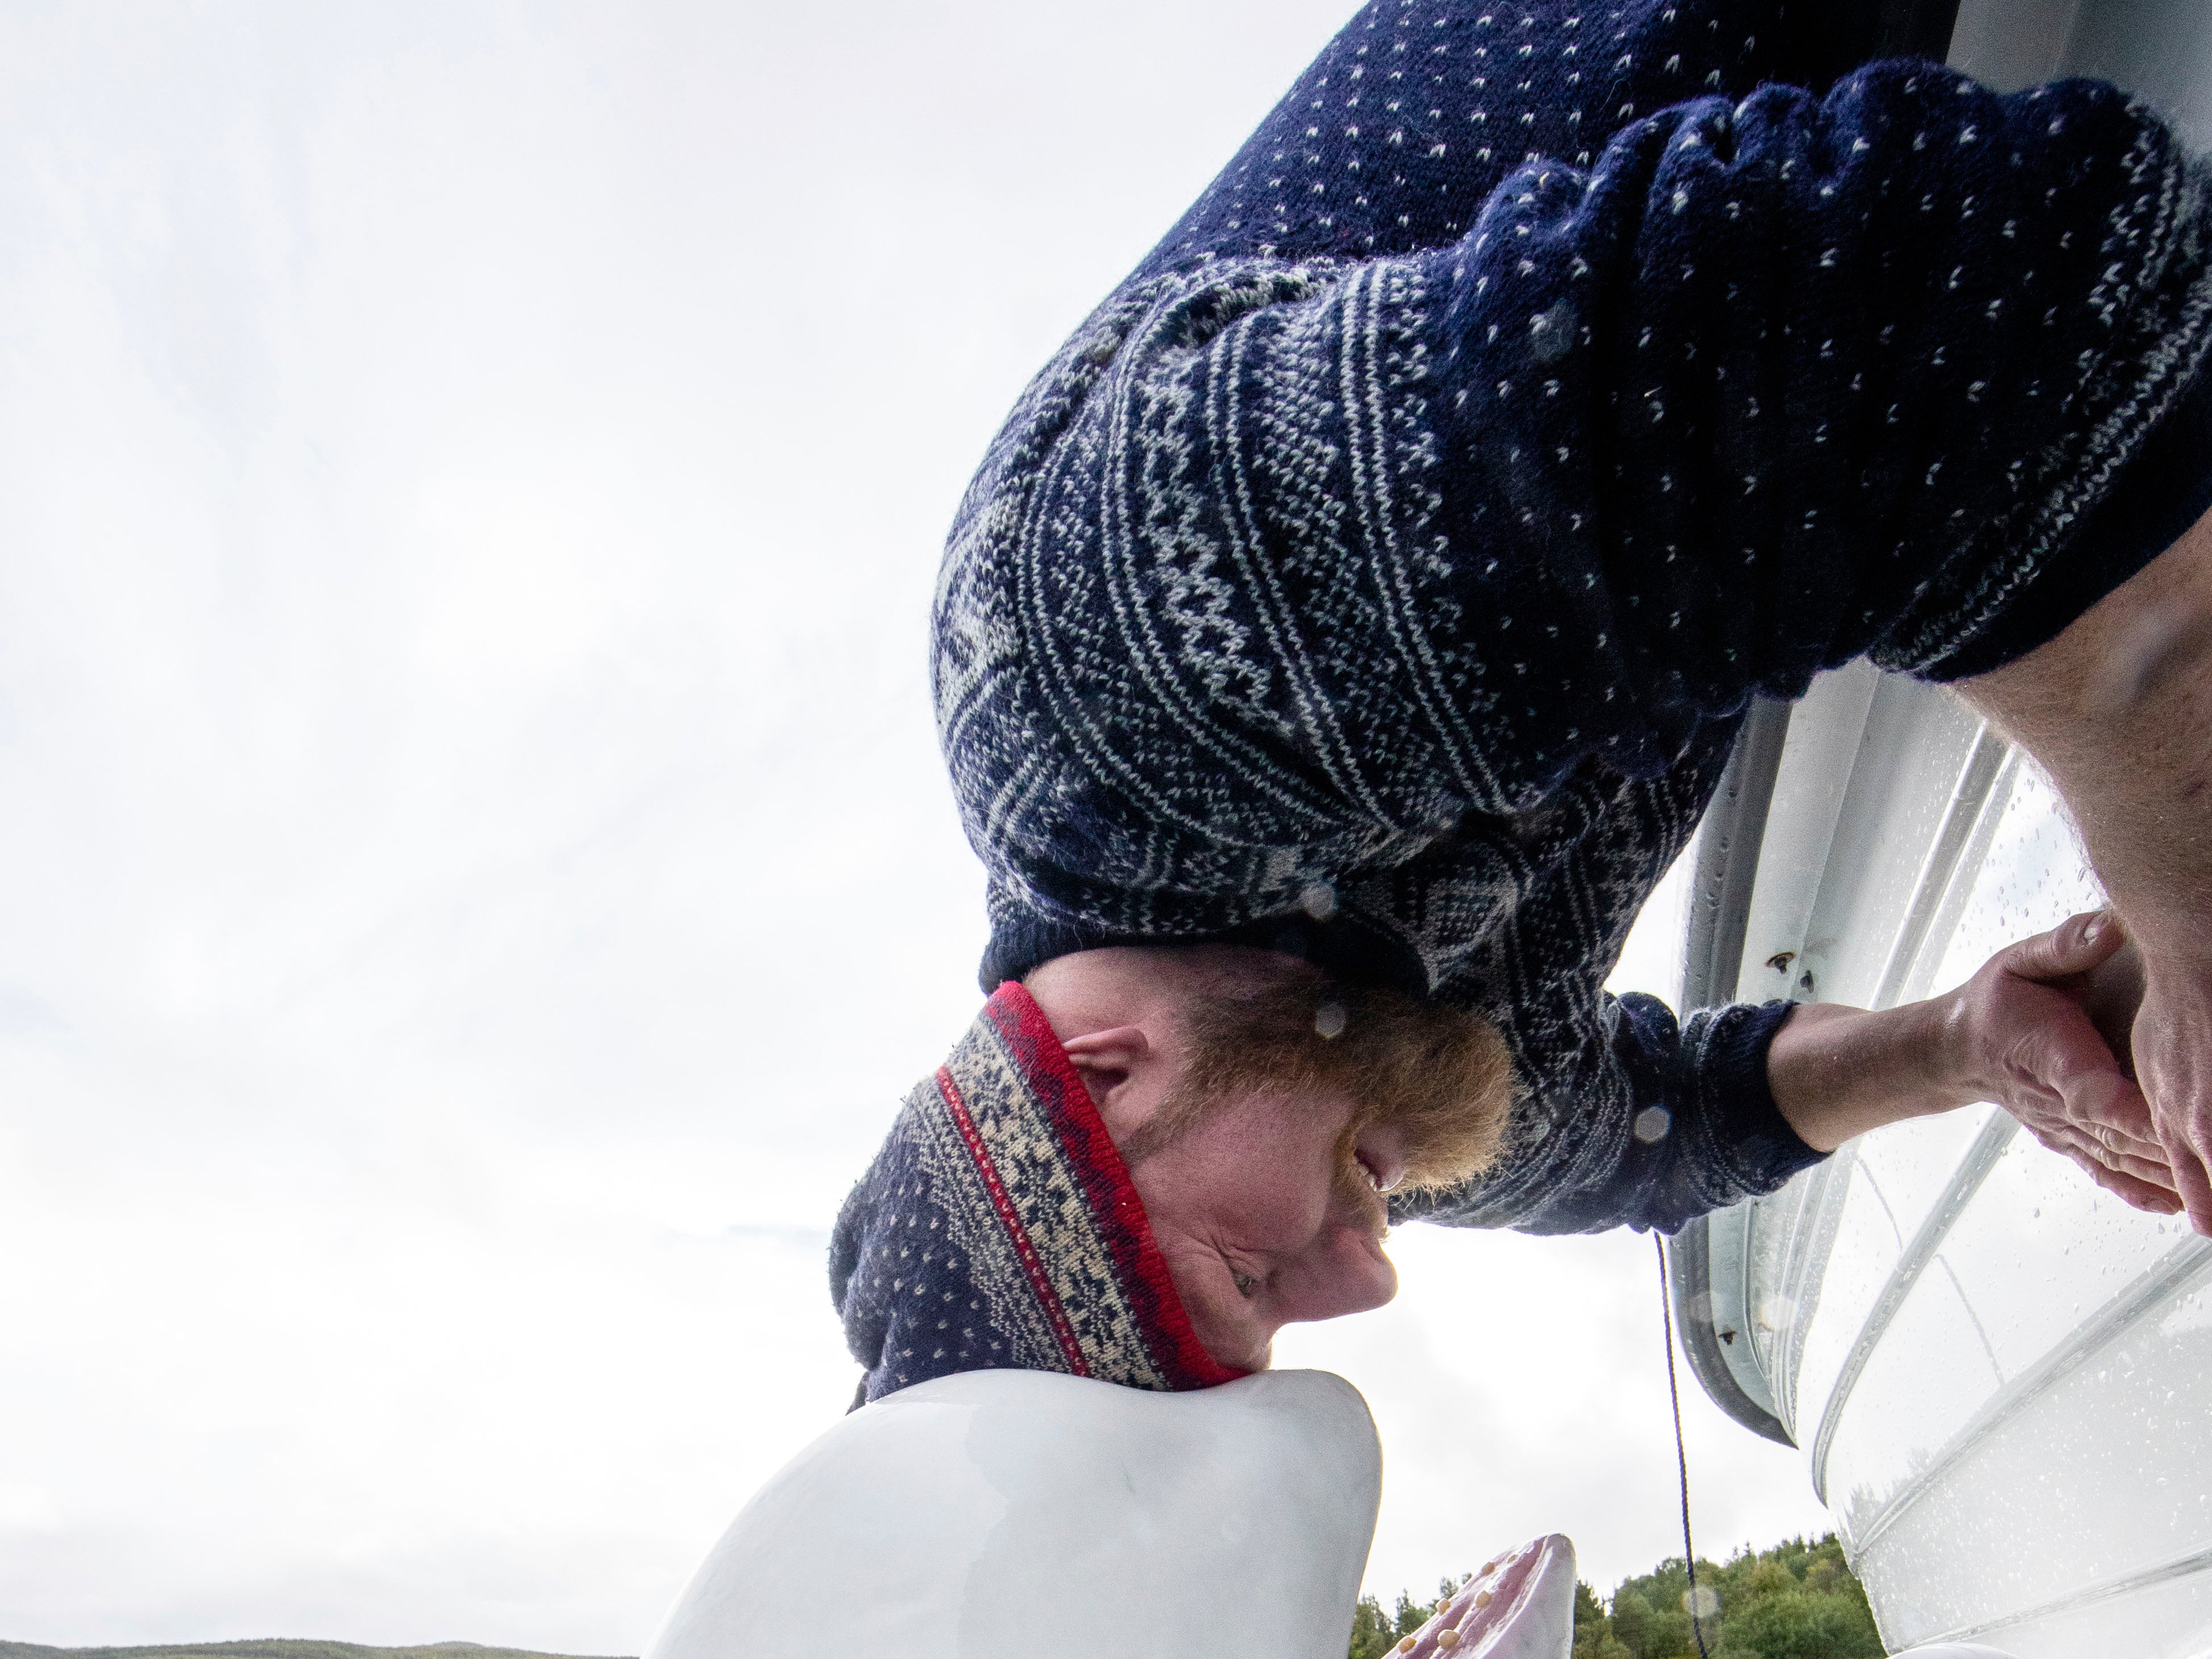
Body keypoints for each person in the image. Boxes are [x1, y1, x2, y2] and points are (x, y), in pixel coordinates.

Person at [833, 2, 2212, 1402]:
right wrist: (1962, 1047)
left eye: (1246, 1276)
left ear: (1105, 1070)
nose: (1363, 1281)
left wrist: (2190, 906)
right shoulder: (1335, 1055)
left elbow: (1945, 287)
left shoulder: (1106, 699)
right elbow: (1652, 1132)